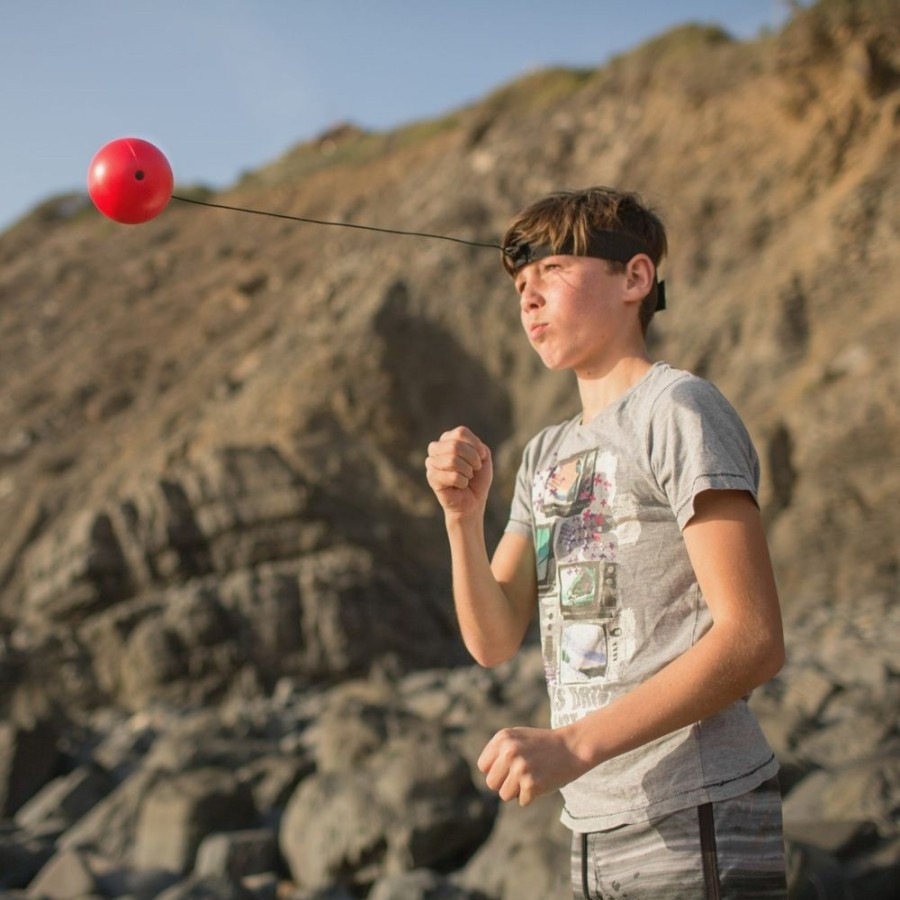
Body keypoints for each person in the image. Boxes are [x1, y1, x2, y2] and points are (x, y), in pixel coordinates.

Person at [425, 187, 788, 899]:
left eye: (552, 271)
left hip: (698, 807)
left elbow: (754, 639)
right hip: (593, 819)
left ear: (635, 278)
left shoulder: (678, 409)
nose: (528, 299)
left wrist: (572, 745)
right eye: (519, 287)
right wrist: (461, 519)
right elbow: (493, 638)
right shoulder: (544, 453)